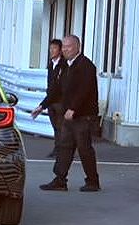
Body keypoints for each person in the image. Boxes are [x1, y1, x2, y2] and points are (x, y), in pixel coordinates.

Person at [40, 34, 101, 192]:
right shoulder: (65, 66)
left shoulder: (85, 65)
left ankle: (93, 181)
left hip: (83, 115)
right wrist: (42, 105)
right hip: (68, 115)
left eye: (69, 47)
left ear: (77, 47)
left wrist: (73, 108)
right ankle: (60, 180)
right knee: (64, 146)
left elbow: (84, 90)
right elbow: (57, 89)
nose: (65, 50)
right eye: (64, 47)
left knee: (84, 148)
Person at [31, 39, 66, 158]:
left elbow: (58, 87)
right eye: (50, 48)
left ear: (60, 50)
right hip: (51, 100)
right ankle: (57, 148)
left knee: (61, 126)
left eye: (54, 48)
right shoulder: (51, 65)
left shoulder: (64, 65)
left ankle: (62, 150)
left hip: (60, 101)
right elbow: (50, 85)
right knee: (55, 126)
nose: (51, 50)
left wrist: (42, 105)